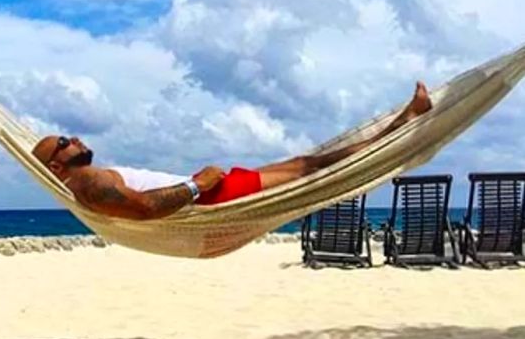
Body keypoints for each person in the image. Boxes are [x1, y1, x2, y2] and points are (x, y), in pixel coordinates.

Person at [32, 81, 432, 220]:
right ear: (55, 164)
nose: (75, 140)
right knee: (310, 168)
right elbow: (143, 208)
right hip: (212, 198)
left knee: (307, 165)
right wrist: (196, 185)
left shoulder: (88, 180)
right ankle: (404, 125)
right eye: (64, 142)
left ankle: (402, 125)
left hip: (212, 194)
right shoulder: (86, 181)